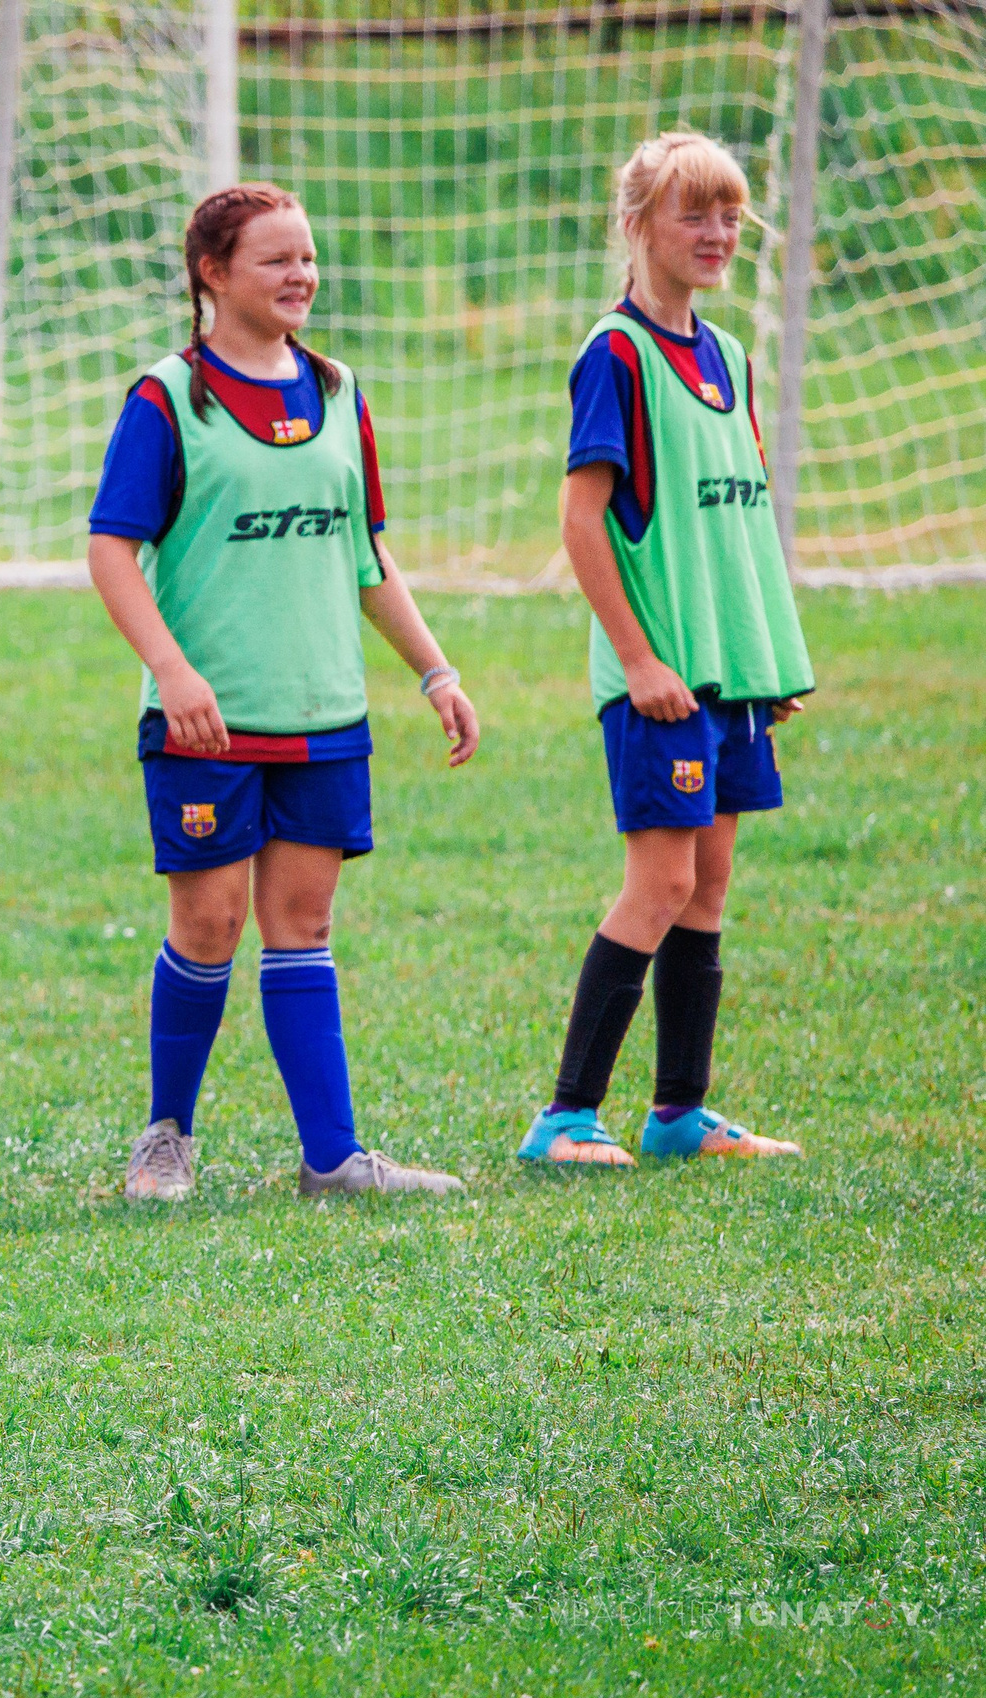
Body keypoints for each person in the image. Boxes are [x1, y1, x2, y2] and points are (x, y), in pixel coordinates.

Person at [87, 182, 482, 1203]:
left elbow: (367, 558)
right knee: (210, 925)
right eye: (276, 259)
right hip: (206, 724)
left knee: (302, 926)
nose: (301, 274)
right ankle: (164, 1140)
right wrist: (172, 670)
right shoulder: (167, 399)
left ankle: (333, 1159)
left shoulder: (339, 392)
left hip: (324, 717)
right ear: (212, 273)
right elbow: (110, 550)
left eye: (306, 256)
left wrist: (434, 670)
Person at [518, 132, 815, 1167]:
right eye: (695, 213)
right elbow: (581, 522)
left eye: (730, 214)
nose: (718, 233)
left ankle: (679, 1115)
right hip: (661, 679)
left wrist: (769, 659)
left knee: (709, 884)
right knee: (660, 884)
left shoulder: (728, 356)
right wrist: (639, 660)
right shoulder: (616, 355)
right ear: (637, 224)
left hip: (730, 675)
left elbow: (740, 522)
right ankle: (564, 1119)